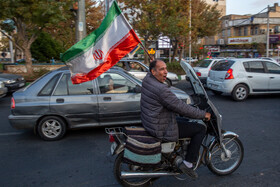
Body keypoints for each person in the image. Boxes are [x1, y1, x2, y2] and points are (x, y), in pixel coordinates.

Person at [140, 59, 211, 179]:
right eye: (161, 69)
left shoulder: (147, 80)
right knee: (199, 128)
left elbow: (172, 102)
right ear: (153, 71)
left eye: (166, 69)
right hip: (160, 127)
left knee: (185, 121)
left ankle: (177, 150)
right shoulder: (160, 89)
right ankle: (188, 163)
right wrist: (202, 114)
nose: (166, 72)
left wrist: (154, 64)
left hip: (153, 121)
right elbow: (181, 108)